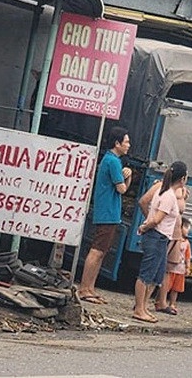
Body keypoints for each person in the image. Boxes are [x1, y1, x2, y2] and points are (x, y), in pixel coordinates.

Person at [78, 126, 132, 305]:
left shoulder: (109, 160)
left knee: (101, 252)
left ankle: (90, 288)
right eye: (126, 142)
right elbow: (122, 188)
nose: (128, 145)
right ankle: (84, 288)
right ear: (117, 143)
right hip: (108, 212)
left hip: (109, 212)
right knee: (97, 250)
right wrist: (128, 176)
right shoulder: (114, 162)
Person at [133, 161, 186, 323]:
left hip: (161, 238)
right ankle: (138, 309)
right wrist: (145, 226)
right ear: (183, 178)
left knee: (156, 274)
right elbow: (157, 219)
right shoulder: (169, 195)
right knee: (146, 274)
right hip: (156, 236)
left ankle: (143, 307)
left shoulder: (164, 190)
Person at [156, 217, 192, 315]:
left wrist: (187, 267)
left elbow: (188, 256)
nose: (187, 229)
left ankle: (172, 303)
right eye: (185, 227)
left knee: (176, 289)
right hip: (171, 267)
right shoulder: (174, 240)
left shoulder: (187, 243)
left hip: (180, 270)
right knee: (165, 286)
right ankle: (159, 301)